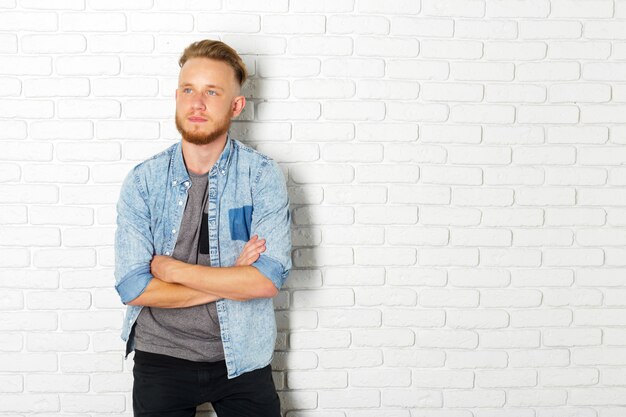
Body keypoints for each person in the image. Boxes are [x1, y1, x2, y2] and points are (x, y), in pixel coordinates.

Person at [113, 39, 291, 417]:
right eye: (189, 90)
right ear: (177, 96)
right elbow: (133, 287)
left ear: (236, 105)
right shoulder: (143, 181)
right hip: (161, 357)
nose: (197, 103)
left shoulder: (260, 176)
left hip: (242, 355)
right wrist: (232, 279)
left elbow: (266, 281)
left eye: (212, 92)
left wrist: (173, 271)